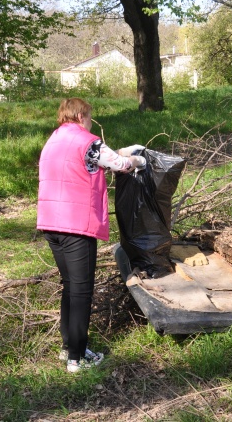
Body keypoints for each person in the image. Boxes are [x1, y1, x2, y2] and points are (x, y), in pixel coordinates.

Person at [37, 98, 146, 372]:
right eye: (89, 116)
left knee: (69, 285)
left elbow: (97, 158)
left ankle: (68, 348)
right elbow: (120, 164)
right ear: (81, 115)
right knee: (82, 289)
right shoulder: (88, 141)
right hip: (76, 224)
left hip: (51, 223)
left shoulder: (54, 140)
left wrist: (120, 153)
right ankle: (77, 358)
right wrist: (137, 159)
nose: (90, 121)